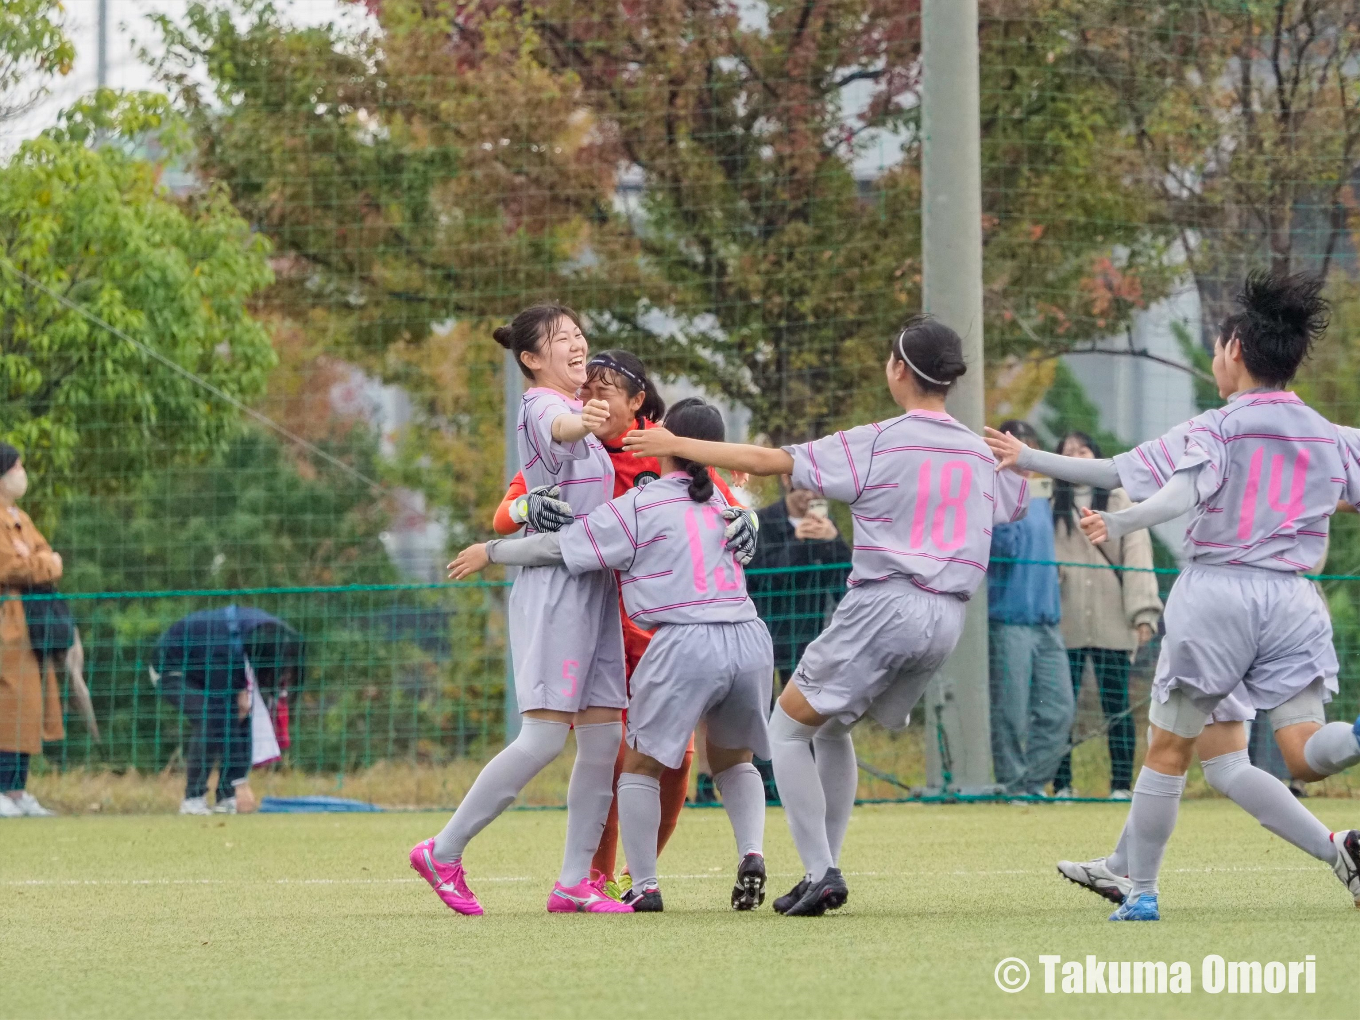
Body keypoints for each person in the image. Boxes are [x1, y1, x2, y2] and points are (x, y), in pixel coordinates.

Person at [624, 313, 1030, 916]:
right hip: (947, 618)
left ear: (898, 368)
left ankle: (820, 870)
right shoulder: (976, 451)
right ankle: (826, 866)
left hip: (886, 604)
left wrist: (675, 443)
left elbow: (766, 461)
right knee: (832, 727)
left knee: (786, 730)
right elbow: (1014, 505)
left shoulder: (877, 439)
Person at [987, 271, 1360, 919]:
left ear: (1236, 349)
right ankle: (1341, 808)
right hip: (1295, 602)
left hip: (1217, 598)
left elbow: (1132, 479)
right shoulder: (1331, 435)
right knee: (1299, 754)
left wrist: (1032, 460)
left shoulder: (1215, 428)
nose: (1214, 360)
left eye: (1217, 350)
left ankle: (1142, 891)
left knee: (1166, 749)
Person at [452, 399, 775, 913]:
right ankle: (752, 852)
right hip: (748, 637)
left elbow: (560, 548)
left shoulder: (642, 504)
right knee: (735, 762)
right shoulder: (722, 504)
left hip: (683, 640)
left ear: (670, 442)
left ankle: (643, 885)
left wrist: (491, 551)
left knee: (638, 768)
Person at [410, 303, 632, 915]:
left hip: (594, 588)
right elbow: (560, 427)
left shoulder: (583, 411)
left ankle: (573, 882)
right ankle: (443, 850)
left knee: (604, 737)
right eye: (563, 339)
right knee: (541, 738)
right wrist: (584, 419)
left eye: (581, 335)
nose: (578, 345)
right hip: (554, 589)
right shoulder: (543, 404)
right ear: (533, 358)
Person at [1049, 431, 1163, 799]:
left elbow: (1138, 556)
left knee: (1116, 704)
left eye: (1083, 449)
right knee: (1060, 706)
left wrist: (1143, 613)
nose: (1076, 455)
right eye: (1067, 452)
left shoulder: (1118, 499)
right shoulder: (1050, 503)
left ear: (1097, 456)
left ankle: (1119, 785)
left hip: (1113, 617)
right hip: (1064, 619)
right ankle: (1061, 782)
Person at [986, 420, 1074, 797]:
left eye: (1026, 448)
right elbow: (1001, 550)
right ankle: (1012, 784)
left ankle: (1031, 783)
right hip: (1009, 620)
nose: (1021, 457)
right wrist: (1009, 492)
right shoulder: (991, 493)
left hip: (1048, 621)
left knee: (1059, 710)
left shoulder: (1042, 496)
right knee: (1010, 712)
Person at [0, 444, 63, 818]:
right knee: (7, 703)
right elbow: (11, 567)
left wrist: (39, 561)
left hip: (31, 623)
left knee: (28, 705)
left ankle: (18, 789)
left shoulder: (20, 516)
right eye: (19, 466)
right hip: (7, 621)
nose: (23, 473)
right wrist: (42, 563)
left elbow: (46, 556)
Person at [746, 479, 851, 682]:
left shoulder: (827, 526)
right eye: (804, 488)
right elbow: (764, 578)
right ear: (787, 481)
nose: (811, 495)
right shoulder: (761, 522)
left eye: (818, 489)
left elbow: (846, 581)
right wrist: (798, 542)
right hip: (765, 629)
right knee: (760, 706)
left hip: (810, 632)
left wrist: (834, 541)